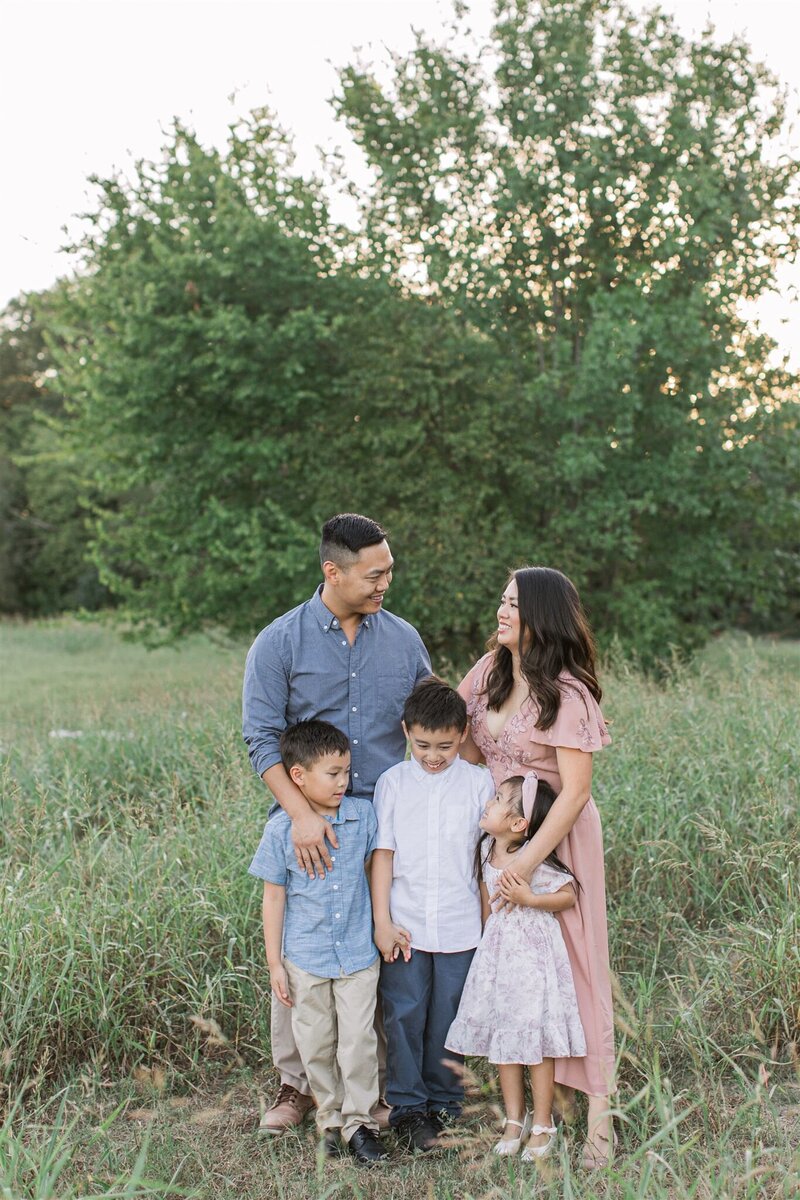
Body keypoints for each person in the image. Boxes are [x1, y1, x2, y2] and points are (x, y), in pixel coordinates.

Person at [243, 513, 431, 1133]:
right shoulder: (279, 643)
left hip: (385, 827)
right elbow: (261, 738)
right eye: (374, 575)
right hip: (309, 826)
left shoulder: (404, 640)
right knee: (302, 943)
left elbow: (435, 719)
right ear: (334, 571)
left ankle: (374, 1086)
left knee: (372, 948)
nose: (385, 584)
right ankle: (295, 1084)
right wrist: (300, 815)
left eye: (389, 572)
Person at [457, 566, 616, 1169]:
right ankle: (535, 1104)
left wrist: (527, 859)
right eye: (500, 599)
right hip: (504, 832)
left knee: (577, 962)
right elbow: (471, 746)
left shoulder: (567, 691)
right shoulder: (491, 669)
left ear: (542, 617)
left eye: (513, 605)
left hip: (559, 836)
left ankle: (599, 1112)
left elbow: (574, 791)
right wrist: (499, 846)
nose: (500, 612)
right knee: (517, 964)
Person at [248, 720, 388, 1165]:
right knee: (315, 1041)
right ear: (298, 777)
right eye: (333, 773)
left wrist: (382, 922)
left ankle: (360, 1123)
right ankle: (328, 1119)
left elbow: (374, 874)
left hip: (357, 956)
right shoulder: (279, 833)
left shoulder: (363, 817)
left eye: (347, 771)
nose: (344, 782)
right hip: (305, 958)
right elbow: (274, 897)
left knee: (359, 1041)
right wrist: (275, 963)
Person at [371, 677, 496, 1152]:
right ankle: (408, 1107)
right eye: (422, 744)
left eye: (444, 745)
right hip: (404, 923)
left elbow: (484, 862)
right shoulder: (394, 783)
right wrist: (381, 921)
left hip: (462, 923)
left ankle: (446, 1101)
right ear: (406, 732)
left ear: (463, 733)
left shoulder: (478, 782)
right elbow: (383, 854)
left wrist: (488, 927)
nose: (433, 755)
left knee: (449, 1016)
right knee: (404, 1015)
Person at [446, 774, 586, 1161]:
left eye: (497, 800)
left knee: (535, 1044)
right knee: (504, 1042)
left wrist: (530, 898)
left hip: (532, 958)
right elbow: (486, 902)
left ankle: (543, 1121)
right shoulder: (488, 848)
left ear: (519, 823)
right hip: (498, 957)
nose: (487, 804)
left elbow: (568, 895)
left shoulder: (533, 855)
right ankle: (514, 1118)